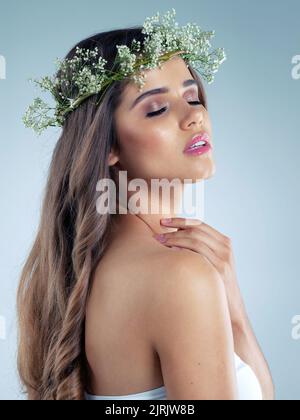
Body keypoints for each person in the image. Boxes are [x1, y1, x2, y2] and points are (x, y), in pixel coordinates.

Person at [17, 10, 275, 400]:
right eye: (157, 108)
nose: (195, 116)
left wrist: (233, 307)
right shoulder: (180, 276)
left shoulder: (80, 269)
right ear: (109, 146)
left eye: (192, 96)